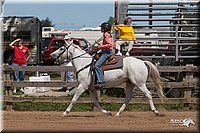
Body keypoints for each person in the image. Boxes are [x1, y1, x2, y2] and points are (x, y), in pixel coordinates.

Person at [94, 22, 114, 89]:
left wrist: (100, 47)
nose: (101, 29)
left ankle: (101, 82)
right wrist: (100, 44)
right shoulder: (107, 34)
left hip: (106, 53)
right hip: (105, 51)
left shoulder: (106, 34)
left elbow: (110, 45)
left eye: (102, 28)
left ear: (105, 28)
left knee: (97, 65)